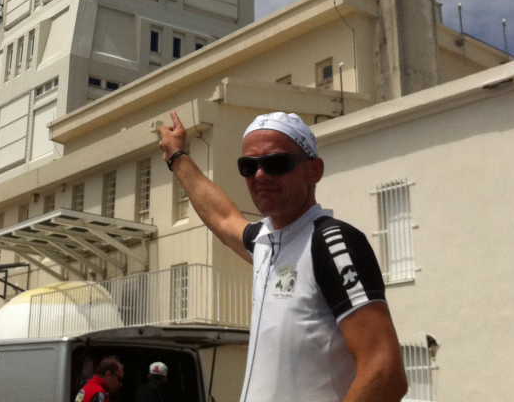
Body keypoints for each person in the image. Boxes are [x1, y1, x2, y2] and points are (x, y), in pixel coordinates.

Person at [158, 110, 409, 402]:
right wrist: (177, 157)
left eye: (276, 163)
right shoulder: (264, 242)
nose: (260, 175)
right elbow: (222, 217)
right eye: (249, 166)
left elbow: (385, 373)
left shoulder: (331, 242)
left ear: (314, 171)